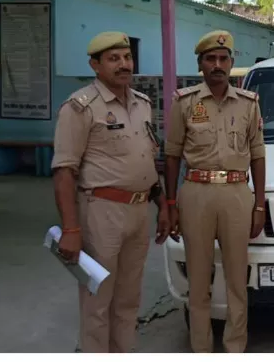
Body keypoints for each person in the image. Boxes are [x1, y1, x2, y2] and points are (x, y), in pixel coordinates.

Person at [51, 31, 170, 353]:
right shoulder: (80, 107)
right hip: (101, 213)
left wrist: (162, 204)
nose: (124, 64)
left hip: (138, 211)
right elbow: (64, 171)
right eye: (113, 59)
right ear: (95, 65)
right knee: (97, 300)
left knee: (129, 300)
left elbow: (145, 160)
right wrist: (71, 229)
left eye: (127, 57)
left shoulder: (142, 104)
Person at [164, 30, 266, 353]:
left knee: (237, 279)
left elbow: (258, 155)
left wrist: (259, 204)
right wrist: (171, 203)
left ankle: (235, 347)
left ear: (231, 63)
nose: (218, 65)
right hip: (196, 192)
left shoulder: (248, 104)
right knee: (198, 280)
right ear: (201, 64)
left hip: (236, 192)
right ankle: (202, 348)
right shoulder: (184, 102)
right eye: (211, 59)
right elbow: (172, 155)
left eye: (223, 58)